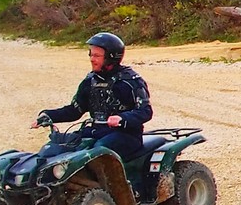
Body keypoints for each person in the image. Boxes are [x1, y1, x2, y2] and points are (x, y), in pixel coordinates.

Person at [36, 32, 153, 160]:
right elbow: (75, 110)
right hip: (97, 131)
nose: (92, 59)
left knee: (98, 152)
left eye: (97, 55)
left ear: (111, 57)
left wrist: (122, 118)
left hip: (126, 136)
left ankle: (108, 180)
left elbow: (145, 111)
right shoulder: (90, 81)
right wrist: (48, 115)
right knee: (58, 147)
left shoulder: (130, 81)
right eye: (91, 54)